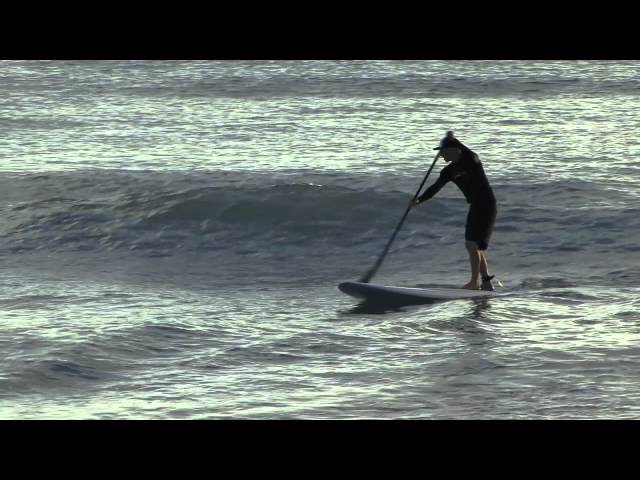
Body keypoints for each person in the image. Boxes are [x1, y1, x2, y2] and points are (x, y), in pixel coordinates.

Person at [411, 131, 497, 291]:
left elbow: (465, 150)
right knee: (474, 245)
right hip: (474, 206)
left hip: (487, 205)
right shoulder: (448, 171)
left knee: (472, 244)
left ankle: (474, 283)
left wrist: (453, 139)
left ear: (454, 149)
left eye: (443, 151)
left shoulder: (471, 160)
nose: (441, 155)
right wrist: (419, 200)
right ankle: (485, 281)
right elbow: (434, 188)